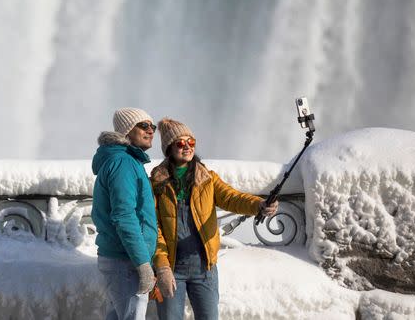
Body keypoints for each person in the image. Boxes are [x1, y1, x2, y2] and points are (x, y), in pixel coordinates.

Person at [151, 117, 278, 320]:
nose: (187, 147)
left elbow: (232, 198)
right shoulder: (156, 184)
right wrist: (162, 266)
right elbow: (153, 228)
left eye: (191, 142)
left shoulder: (207, 179)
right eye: (180, 143)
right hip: (172, 268)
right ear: (169, 148)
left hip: (204, 267)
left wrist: (259, 205)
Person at [91, 107, 159, 320]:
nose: (151, 131)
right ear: (127, 131)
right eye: (144, 126)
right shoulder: (123, 163)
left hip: (121, 258)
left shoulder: (125, 161)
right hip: (126, 261)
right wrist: (142, 264)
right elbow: (124, 216)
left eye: (152, 126)